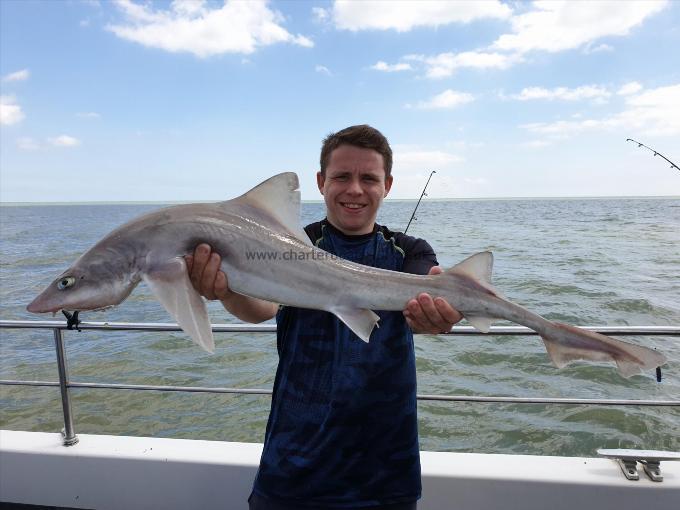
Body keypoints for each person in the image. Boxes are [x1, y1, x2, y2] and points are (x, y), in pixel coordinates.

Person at [186, 125, 462, 509]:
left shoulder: (409, 250)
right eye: (341, 177)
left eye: (369, 178)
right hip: (294, 462)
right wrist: (226, 288)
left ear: (387, 184)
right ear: (320, 181)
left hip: (385, 466)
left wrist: (439, 316)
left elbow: (423, 306)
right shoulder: (287, 246)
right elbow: (261, 309)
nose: (355, 190)